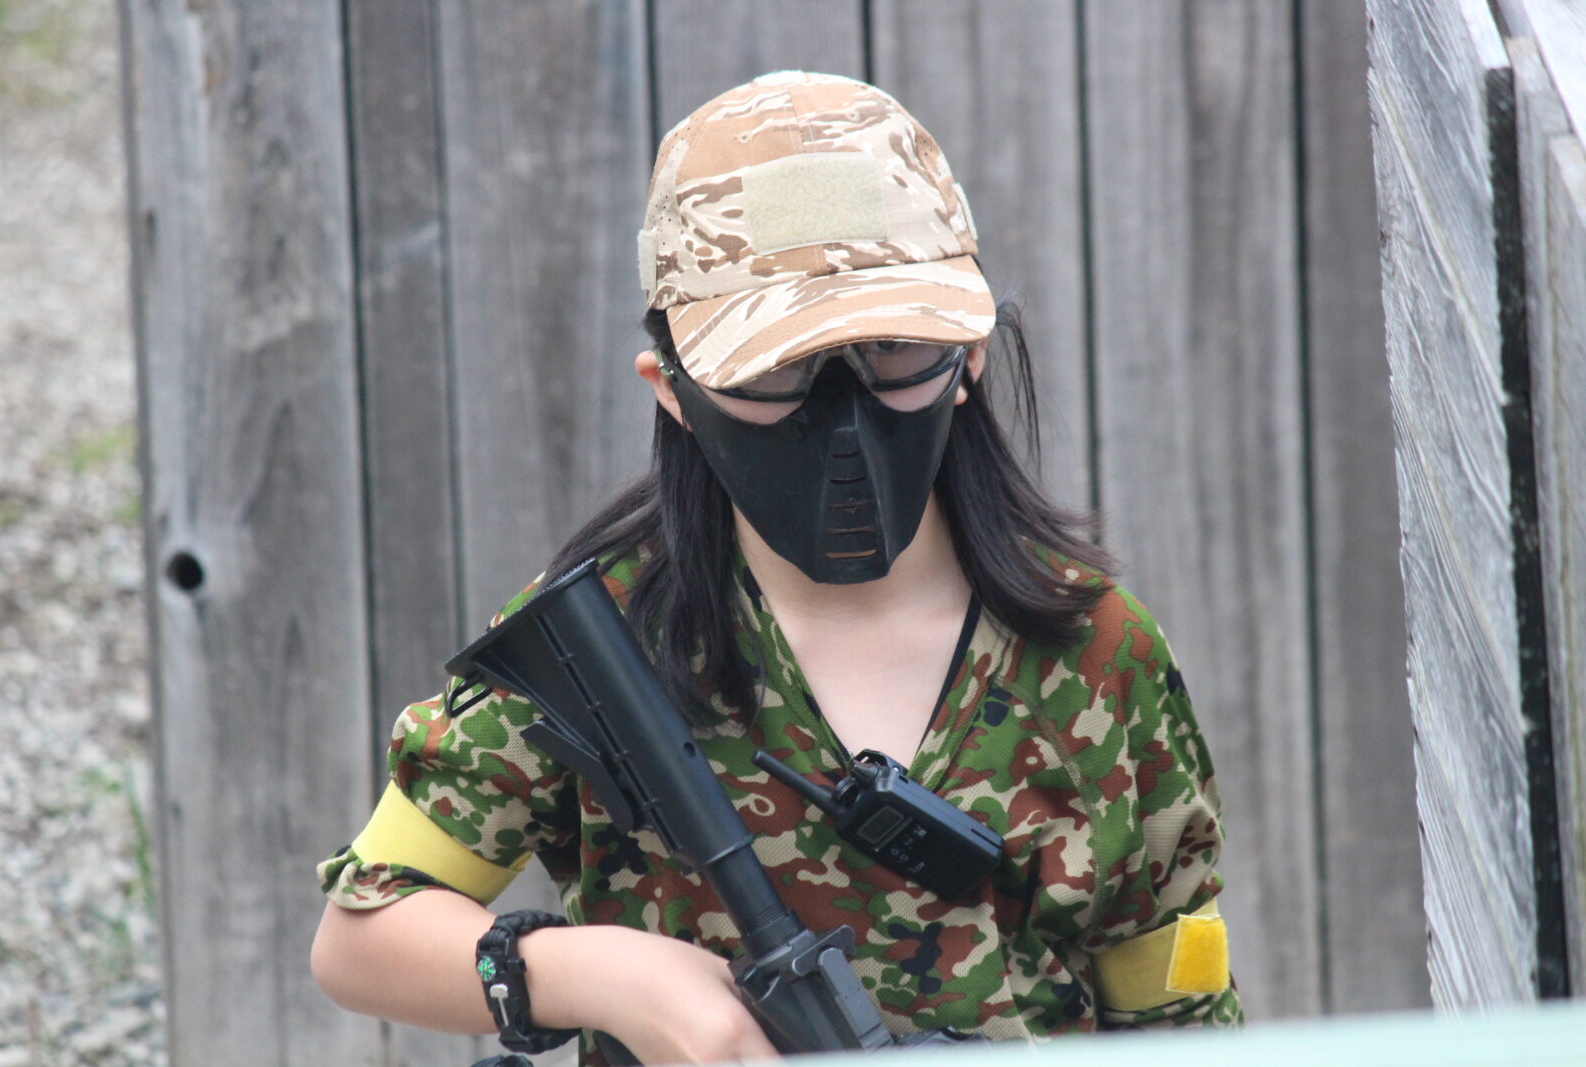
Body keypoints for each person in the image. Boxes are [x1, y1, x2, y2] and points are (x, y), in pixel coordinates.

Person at [310, 71, 1240, 1065]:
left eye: (893, 351)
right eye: (773, 371)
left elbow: (1179, 1012)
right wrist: (605, 975)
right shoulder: (602, 641)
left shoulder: (1093, 646)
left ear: (969, 354)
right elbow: (362, 932)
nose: (841, 417)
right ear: (672, 388)